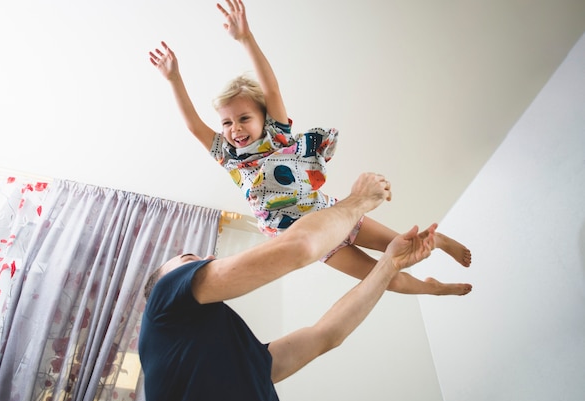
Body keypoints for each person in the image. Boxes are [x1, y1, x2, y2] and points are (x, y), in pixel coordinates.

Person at [148, 0, 472, 296]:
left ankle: (438, 240)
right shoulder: (233, 161)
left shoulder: (277, 135)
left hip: (333, 212)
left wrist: (245, 38)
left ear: (263, 118)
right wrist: (173, 78)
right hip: (314, 237)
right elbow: (193, 126)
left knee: (399, 248)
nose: (235, 129)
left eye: (244, 118)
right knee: (382, 276)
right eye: (227, 123)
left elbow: (270, 86)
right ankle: (434, 289)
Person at [139, 172, 436, 401]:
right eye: (189, 260)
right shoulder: (164, 299)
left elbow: (326, 336)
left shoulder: (240, 356)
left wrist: (388, 265)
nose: (208, 258)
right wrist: (357, 202)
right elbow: (300, 248)